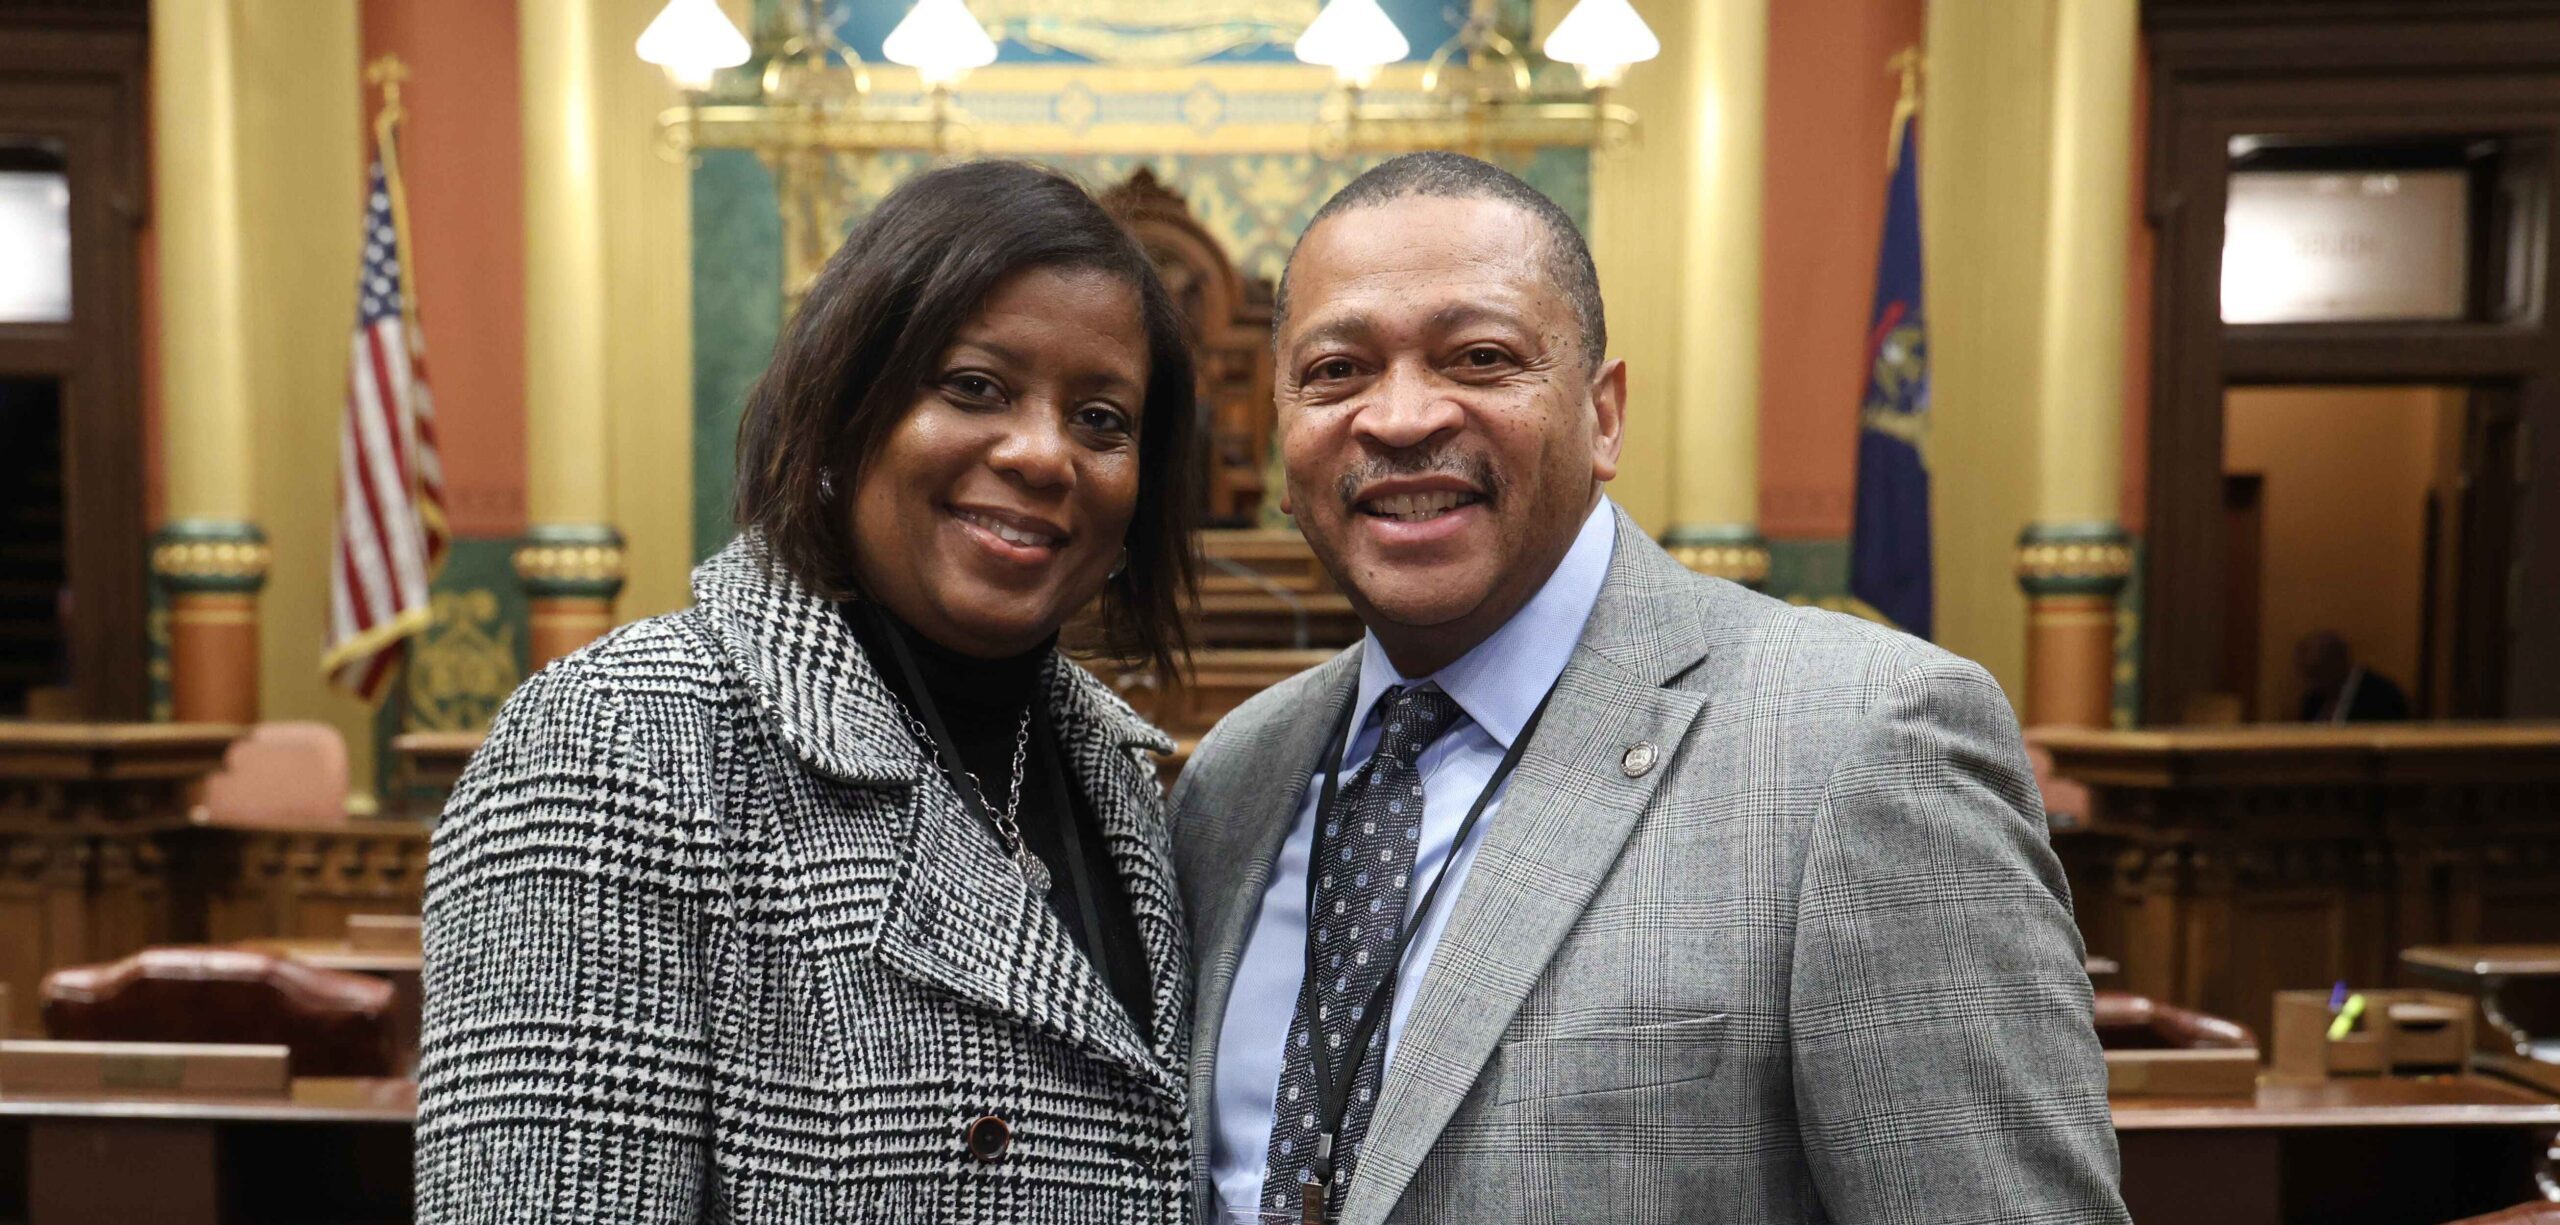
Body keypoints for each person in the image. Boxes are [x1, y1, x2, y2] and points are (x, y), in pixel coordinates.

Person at [1174, 153, 2129, 1225]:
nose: (1398, 418)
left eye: (1479, 357)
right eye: (1337, 371)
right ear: (1280, 430)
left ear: (1604, 414)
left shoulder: (1862, 740)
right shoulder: (1232, 780)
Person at [417, 160, 1201, 1223]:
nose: (1042, 453)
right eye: (974, 387)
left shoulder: (1122, 777)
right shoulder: (623, 740)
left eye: (1101, 419)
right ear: (843, 411)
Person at [2296, 629, 2412, 723]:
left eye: (2318, 673)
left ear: (2340, 662)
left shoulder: (2382, 696)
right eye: (2310, 675)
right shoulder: (2314, 700)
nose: (2313, 683)